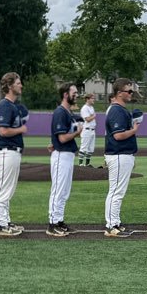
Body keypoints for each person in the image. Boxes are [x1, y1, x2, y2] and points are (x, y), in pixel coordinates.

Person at [102, 78, 142, 237]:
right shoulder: (116, 110)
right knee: (116, 192)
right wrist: (134, 130)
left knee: (118, 191)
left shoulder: (120, 109)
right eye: (129, 91)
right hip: (118, 154)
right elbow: (118, 136)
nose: (131, 93)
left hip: (122, 154)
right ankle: (111, 226)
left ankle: (115, 222)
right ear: (119, 93)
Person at [0, 72, 28, 237]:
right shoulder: (5, 105)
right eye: (18, 83)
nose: (21, 85)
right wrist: (20, 129)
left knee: (8, 190)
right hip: (7, 151)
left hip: (12, 151)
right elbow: (3, 131)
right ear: (11, 85)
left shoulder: (12, 106)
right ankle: (0, 224)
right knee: (2, 190)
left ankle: (5, 221)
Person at [46, 83, 81, 237]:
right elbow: (62, 138)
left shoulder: (68, 112)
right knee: (58, 190)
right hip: (61, 155)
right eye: (74, 92)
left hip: (66, 154)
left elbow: (59, 138)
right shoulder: (60, 112)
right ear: (66, 94)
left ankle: (59, 221)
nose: (77, 95)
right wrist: (77, 133)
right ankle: (52, 224)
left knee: (64, 191)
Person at [77, 93, 97, 168]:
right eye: (92, 98)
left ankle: (87, 164)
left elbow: (90, 118)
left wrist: (92, 116)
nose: (94, 99)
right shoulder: (84, 108)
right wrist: (93, 116)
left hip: (92, 130)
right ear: (87, 99)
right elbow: (87, 119)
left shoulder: (91, 107)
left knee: (91, 149)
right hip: (86, 130)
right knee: (84, 147)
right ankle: (80, 164)